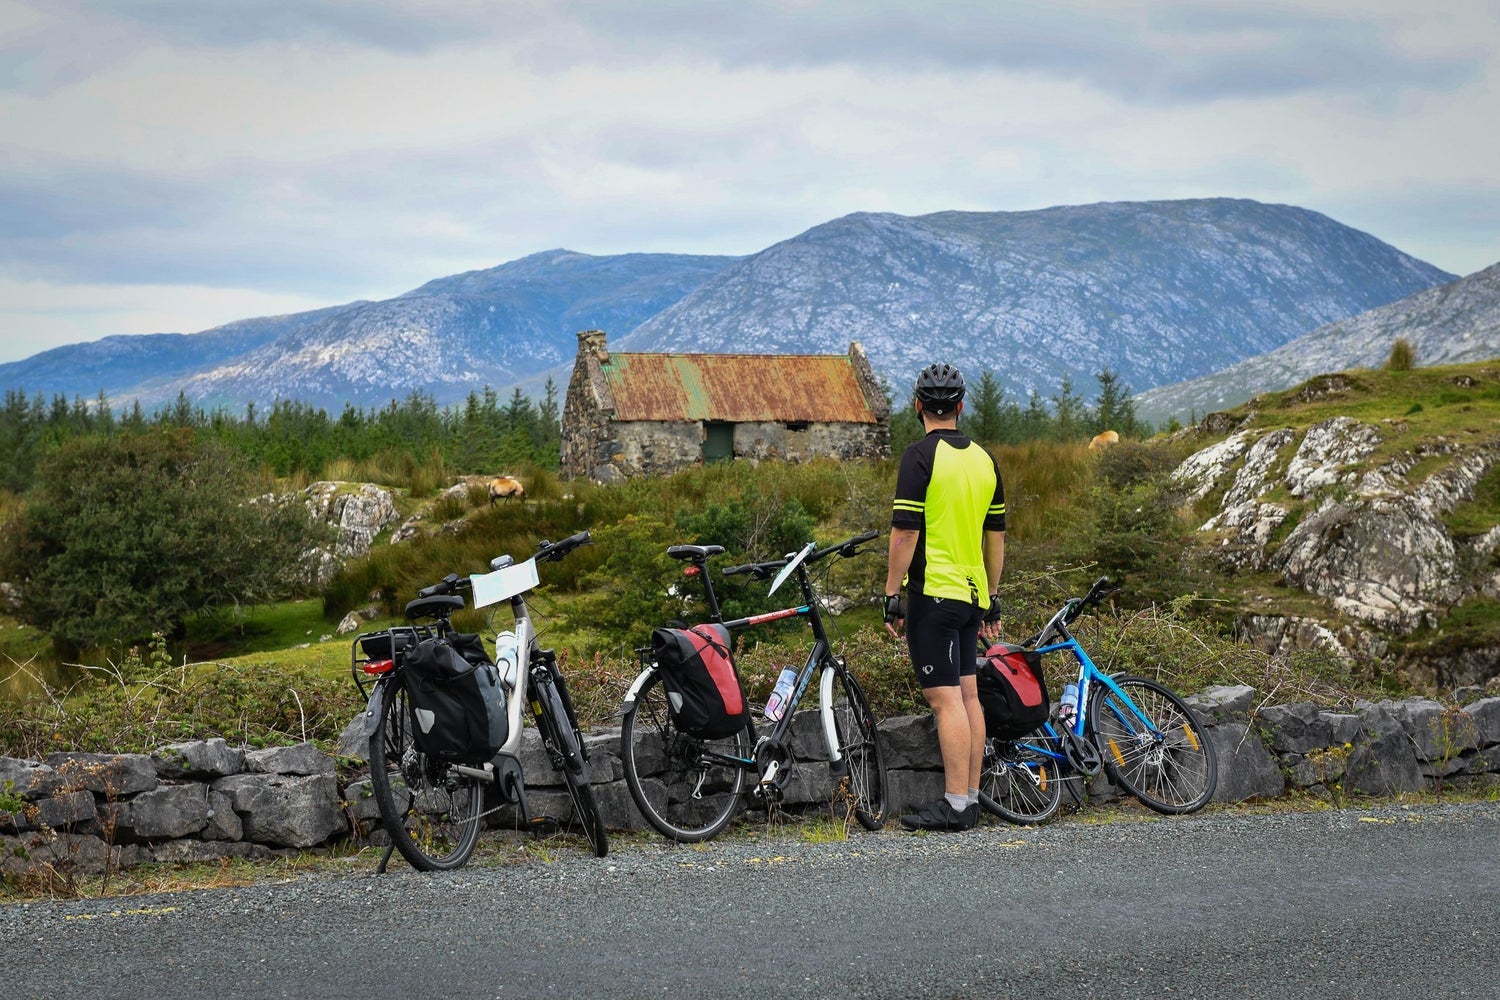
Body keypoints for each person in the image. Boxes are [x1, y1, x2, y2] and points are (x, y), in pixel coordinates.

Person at [883, 362, 1006, 831]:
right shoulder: (984, 459)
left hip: (934, 594)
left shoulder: (918, 458)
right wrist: (992, 596)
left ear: (917, 406)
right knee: (968, 695)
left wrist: (892, 592)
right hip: (973, 594)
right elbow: (995, 537)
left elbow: (904, 533)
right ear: (960, 406)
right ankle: (970, 798)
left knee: (944, 700)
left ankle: (955, 805)